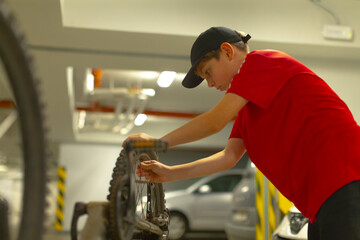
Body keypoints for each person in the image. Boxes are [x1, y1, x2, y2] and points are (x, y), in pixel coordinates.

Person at [123, 26, 360, 239]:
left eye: (207, 72)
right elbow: (228, 157)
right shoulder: (248, 112)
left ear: (227, 52)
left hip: (346, 182)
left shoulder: (261, 62)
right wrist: (169, 174)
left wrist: (156, 143)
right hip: (320, 202)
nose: (210, 83)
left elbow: (213, 122)